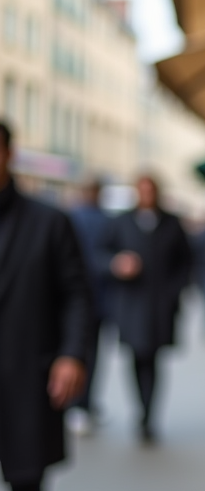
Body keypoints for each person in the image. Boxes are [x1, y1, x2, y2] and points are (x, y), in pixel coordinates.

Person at [0, 122, 94, 491]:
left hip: (27, 377)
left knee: (26, 487)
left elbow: (78, 294)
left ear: (8, 153)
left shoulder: (49, 222)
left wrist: (71, 354)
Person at [99, 174, 193, 441]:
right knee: (136, 357)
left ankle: (149, 414)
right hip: (130, 303)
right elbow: (99, 255)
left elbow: (187, 262)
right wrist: (116, 264)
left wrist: (174, 291)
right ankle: (140, 409)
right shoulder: (121, 222)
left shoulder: (172, 223)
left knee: (153, 359)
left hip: (160, 304)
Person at [65, 180, 112, 436]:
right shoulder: (103, 219)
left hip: (81, 299)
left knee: (77, 352)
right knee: (91, 356)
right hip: (97, 299)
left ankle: (77, 405)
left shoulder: (70, 217)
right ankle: (82, 404)